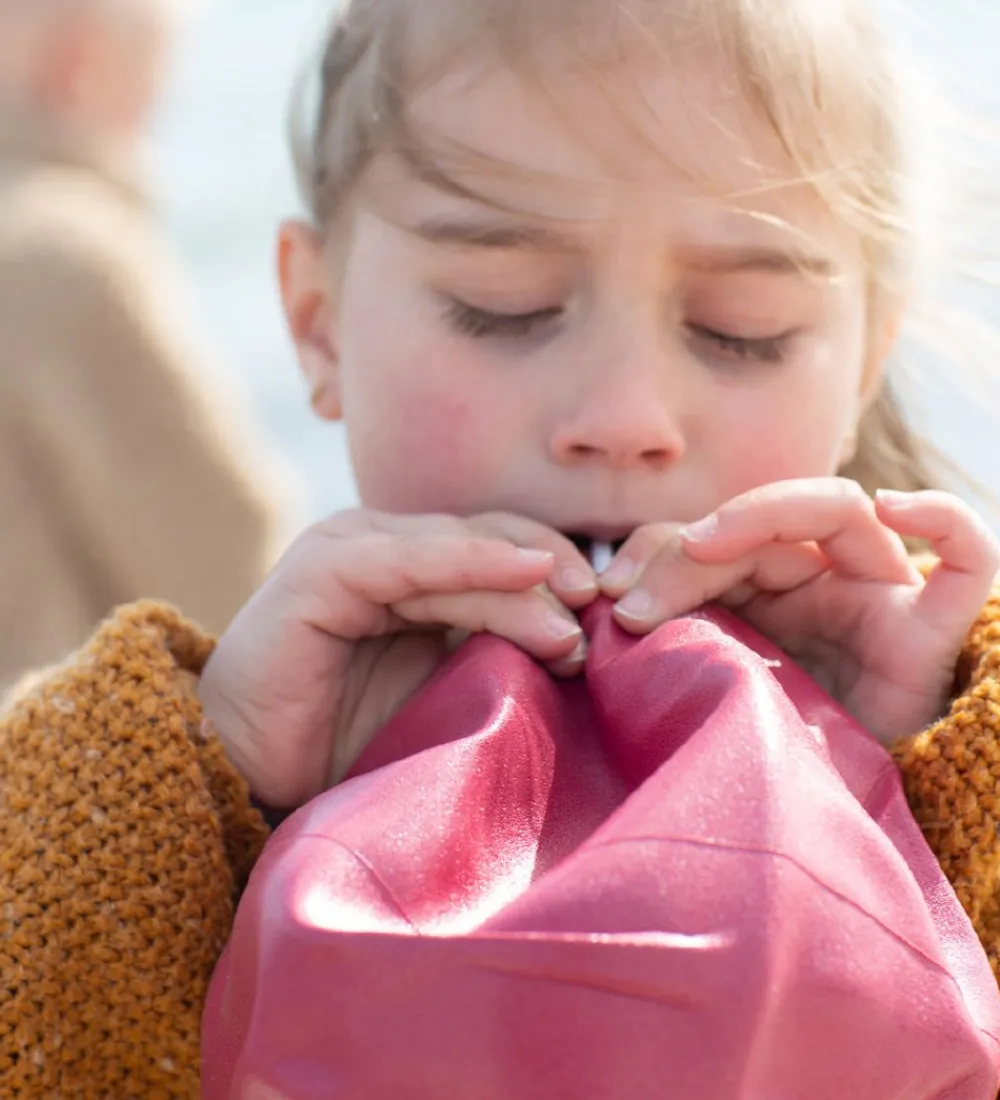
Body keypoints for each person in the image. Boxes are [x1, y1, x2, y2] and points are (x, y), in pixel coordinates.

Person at [2, 0, 1000, 1095]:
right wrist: (202, 791)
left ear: (862, 366)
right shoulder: (219, 771)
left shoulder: (934, 722)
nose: (623, 416)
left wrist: (923, 782)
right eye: (502, 307)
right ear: (318, 321)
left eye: (741, 329)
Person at [0, 0, 292, 689]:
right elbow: (236, 587)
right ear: (80, 67)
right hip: (73, 746)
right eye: (151, 95)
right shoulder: (61, 252)